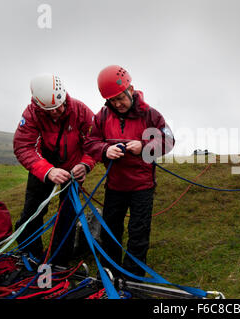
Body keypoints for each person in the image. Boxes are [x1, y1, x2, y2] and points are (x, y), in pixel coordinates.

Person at [84, 65, 175, 280]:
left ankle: (133, 278)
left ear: (131, 90)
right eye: (112, 100)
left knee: (138, 232)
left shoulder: (151, 115)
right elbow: (90, 142)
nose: (117, 104)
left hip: (142, 187)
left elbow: (168, 141)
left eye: (120, 98)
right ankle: (109, 273)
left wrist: (143, 146)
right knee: (110, 231)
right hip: (114, 185)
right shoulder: (102, 116)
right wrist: (106, 150)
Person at [13, 74, 96, 265]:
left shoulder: (80, 110)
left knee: (67, 214)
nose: (58, 111)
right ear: (37, 104)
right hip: (42, 168)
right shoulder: (31, 114)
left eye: (60, 105)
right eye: (50, 109)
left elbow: (94, 142)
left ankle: (59, 261)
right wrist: (47, 171)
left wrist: (85, 165)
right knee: (32, 212)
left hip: (73, 169)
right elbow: (23, 146)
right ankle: (30, 255)